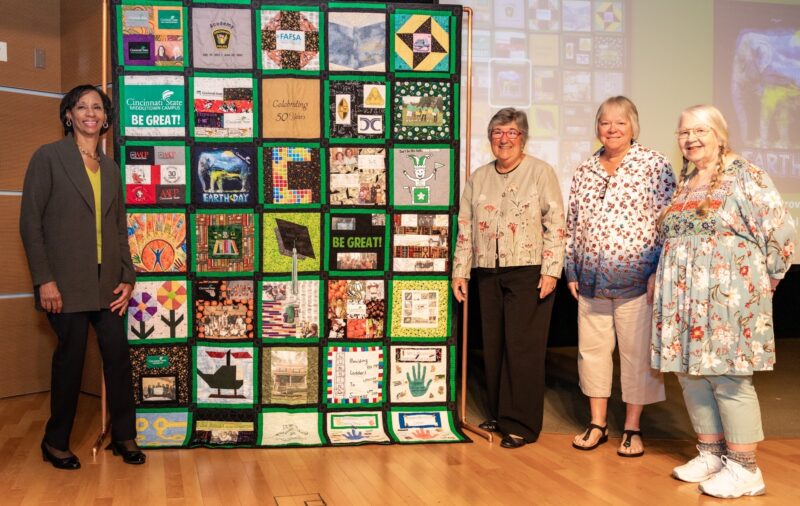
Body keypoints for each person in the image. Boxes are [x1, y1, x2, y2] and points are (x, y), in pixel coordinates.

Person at [652, 105, 796, 498]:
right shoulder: (687, 180)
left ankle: (746, 469)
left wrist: (765, 281)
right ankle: (712, 453)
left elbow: (781, 232)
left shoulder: (744, 175)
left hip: (727, 298)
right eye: (684, 132)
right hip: (683, 299)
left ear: (720, 134)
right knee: (690, 373)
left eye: (700, 131)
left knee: (729, 377)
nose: (690, 138)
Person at [19, 85, 146, 469]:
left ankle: (124, 436)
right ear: (68, 115)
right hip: (65, 282)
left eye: (97, 107)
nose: (90, 113)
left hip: (108, 282)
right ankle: (55, 442)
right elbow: (30, 223)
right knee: (70, 364)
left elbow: (119, 227)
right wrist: (45, 280)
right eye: (81, 106)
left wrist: (128, 276)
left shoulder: (110, 168)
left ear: (105, 119)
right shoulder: (48, 157)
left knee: (118, 360)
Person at [565, 96, 676, 457]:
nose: (611, 129)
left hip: (636, 282)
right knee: (592, 354)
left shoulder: (654, 165)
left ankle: (632, 428)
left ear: (633, 127)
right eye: (605, 123)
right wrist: (571, 268)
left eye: (620, 123)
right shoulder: (585, 169)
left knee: (636, 356)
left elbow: (667, 225)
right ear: (597, 127)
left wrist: (658, 271)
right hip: (591, 281)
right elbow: (572, 225)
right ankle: (597, 424)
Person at [452, 108, 566, 448]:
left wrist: (551, 269)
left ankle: (522, 424)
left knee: (523, 349)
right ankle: (500, 414)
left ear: (523, 138)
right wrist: (461, 270)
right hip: (486, 271)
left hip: (528, 271)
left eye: (512, 133)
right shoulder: (478, 177)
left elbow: (556, 224)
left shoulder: (541, 173)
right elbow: (465, 227)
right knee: (495, 346)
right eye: (498, 133)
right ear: (490, 139)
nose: (504, 139)